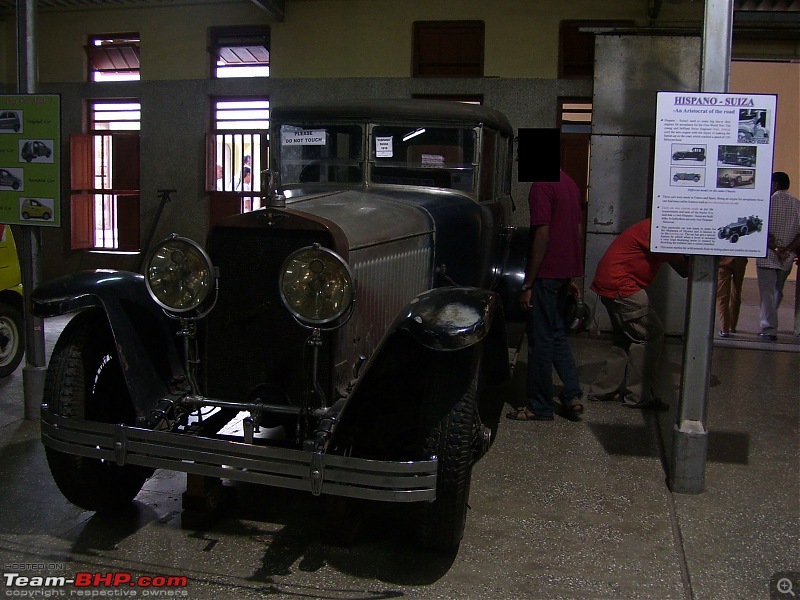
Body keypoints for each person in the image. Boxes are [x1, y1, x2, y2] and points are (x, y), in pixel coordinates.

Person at [506, 169, 585, 422]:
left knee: (540, 341)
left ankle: (539, 407)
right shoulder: (570, 182)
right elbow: (577, 229)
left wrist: (527, 284)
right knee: (557, 333)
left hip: (546, 273)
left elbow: (542, 235)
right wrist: (571, 273)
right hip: (563, 271)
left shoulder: (541, 184)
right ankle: (572, 395)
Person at [588, 218, 689, 410]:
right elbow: (683, 268)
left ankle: (603, 390)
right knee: (650, 335)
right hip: (622, 285)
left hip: (610, 281)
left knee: (625, 339)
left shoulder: (654, 224)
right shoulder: (661, 229)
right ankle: (638, 396)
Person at [755, 172, 800, 341]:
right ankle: (770, 321)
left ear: (775, 184)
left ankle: (769, 328)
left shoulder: (766, 204)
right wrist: (787, 249)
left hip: (767, 255)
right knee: (777, 290)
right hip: (786, 257)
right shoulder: (797, 205)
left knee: (767, 292)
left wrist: (775, 248)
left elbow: (761, 231)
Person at [716, 256, 748, 337]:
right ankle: (732, 326)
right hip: (740, 258)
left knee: (722, 296)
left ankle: (724, 329)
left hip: (723, 258)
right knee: (736, 292)